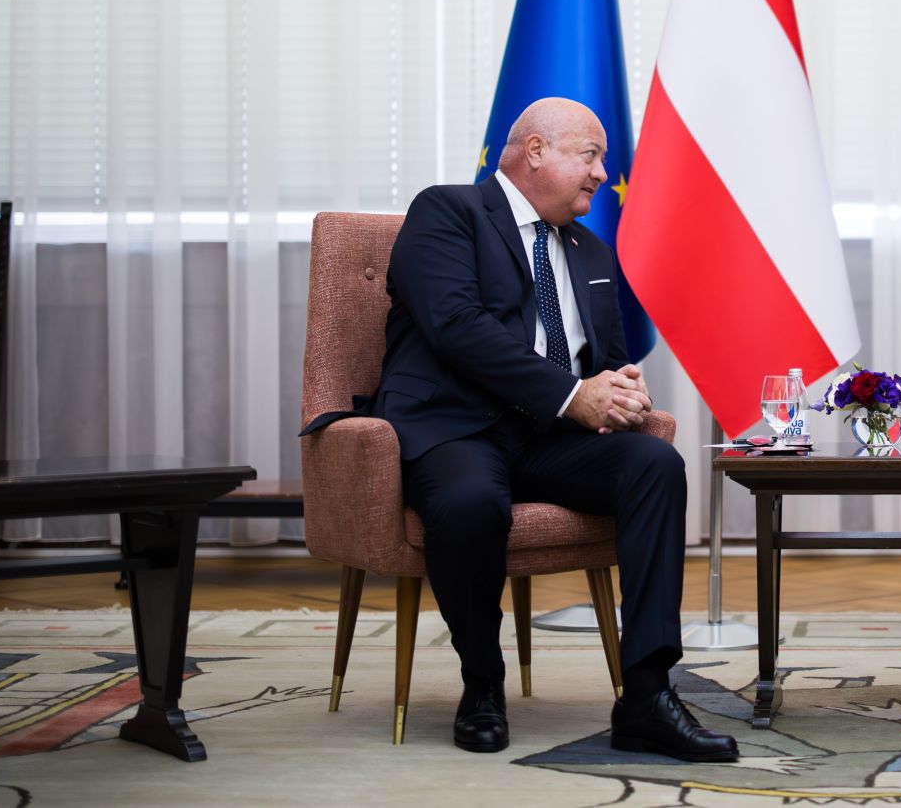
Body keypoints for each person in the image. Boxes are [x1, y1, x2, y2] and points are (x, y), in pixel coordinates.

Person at [302, 97, 737, 762]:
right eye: (590, 155)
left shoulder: (590, 249)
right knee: (472, 502)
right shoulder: (448, 212)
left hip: (545, 439)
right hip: (455, 429)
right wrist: (574, 393)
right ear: (536, 150)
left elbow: (606, 357)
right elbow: (457, 326)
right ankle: (482, 680)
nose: (601, 173)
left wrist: (621, 389)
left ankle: (647, 693)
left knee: (655, 464)